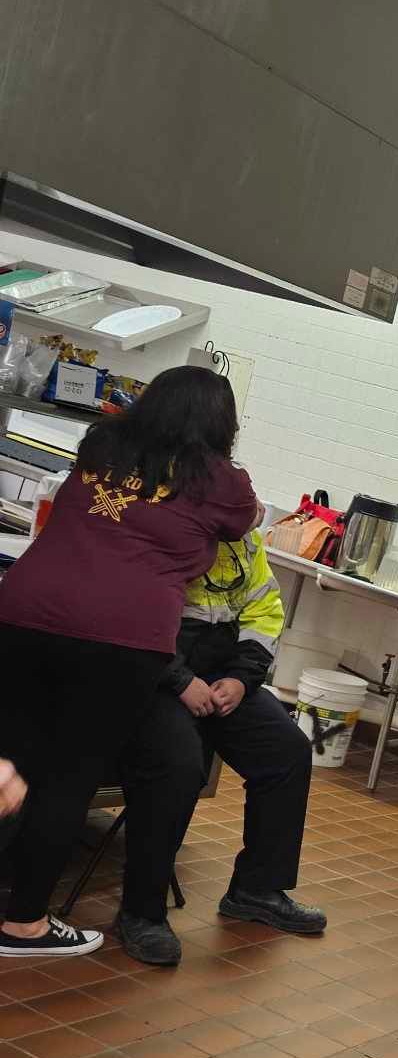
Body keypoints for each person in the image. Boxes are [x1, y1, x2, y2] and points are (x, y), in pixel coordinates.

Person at [0, 367, 258, 959]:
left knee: (10, 763)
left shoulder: (102, 442)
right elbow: (244, 523)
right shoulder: (220, 479)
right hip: (120, 637)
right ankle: (24, 925)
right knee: (68, 777)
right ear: (223, 424)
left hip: (22, 612)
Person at [114, 528, 325, 967]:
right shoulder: (161, 522)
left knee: (287, 750)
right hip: (156, 674)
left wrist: (241, 679)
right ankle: (141, 912)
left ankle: (257, 888)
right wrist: (179, 680)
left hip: (222, 674)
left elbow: (264, 611)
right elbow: (128, 612)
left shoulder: (244, 538)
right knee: (179, 766)